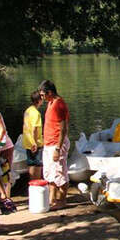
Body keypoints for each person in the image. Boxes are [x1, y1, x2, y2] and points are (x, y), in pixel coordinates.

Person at [39, 80, 70, 210]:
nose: (42, 98)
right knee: (49, 173)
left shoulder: (59, 104)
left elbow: (63, 128)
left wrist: (58, 148)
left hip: (56, 144)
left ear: (50, 92)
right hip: (48, 143)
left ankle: (62, 201)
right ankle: (52, 199)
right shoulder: (51, 103)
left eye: (42, 95)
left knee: (59, 173)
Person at [23, 90, 44, 180]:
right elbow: (35, 129)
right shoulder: (36, 113)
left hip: (27, 142)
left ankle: (31, 184)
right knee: (38, 165)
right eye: (42, 98)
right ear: (39, 100)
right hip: (36, 143)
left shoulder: (28, 110)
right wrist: (35, 142)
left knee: (31, 164)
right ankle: (38, 184)